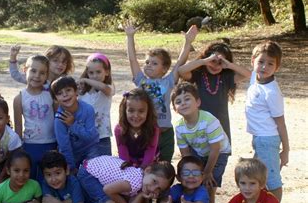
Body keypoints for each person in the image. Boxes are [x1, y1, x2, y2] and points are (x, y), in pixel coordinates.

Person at [124, 21, 198, 162]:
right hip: (147, 131)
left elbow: (180, 62)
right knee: (147, 164)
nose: (149, 65)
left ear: (164, 69)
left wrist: (188, 42)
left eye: (154, 63)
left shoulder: (168, 81)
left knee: (165, 166)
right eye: (147, 62)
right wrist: (129, 37)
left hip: (166, 133)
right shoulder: (141, 80)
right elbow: (132, 59)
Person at [172, 82, 231, 203]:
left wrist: (206, 172)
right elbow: (186, 155)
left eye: (187, 99)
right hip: (199, 153)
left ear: (198, 102)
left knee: (208, 186)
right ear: (175, 108)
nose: (183, 103)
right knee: (192, 183)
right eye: (178, 101)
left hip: (219, 153)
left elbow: (215, 149)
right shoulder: (179, 127)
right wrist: (188, 172)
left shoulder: (208, 120)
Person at [178, 42, 251, 144]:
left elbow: (248, 74)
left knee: (220, 155)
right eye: (213, 61)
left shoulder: (225, 77)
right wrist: (204, 61)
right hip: (200, 125)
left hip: (220, 126)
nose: (215, 65)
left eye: (220, 62)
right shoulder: (199, 75)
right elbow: (181, 70)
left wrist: (229, 65)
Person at [245, 40, 289, 203]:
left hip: (268, 139)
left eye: (270, 64)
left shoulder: (272, 92)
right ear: (253, 62)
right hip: (258, 138)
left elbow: (281, 122)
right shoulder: (255, 78)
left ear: (276, 67)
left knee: (271, 180)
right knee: (259, 176)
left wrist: (286, 150)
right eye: (261, 62)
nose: (264, 67)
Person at [115, 88, 160, 203]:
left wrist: (141, 171)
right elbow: (123, 153)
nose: (136, 115)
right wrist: (130, 173)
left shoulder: (153, 129)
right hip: (128, 163)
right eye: (131, 110)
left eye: (141, 111)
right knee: (126, 187)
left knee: (144, 186)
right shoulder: (119, 129)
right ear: (124, 110)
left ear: (148, 112)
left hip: (147, 163)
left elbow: (150, 153)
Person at [13, 55, 57, 180]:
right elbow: (18, 126)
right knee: (31, 179)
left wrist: (59, 143)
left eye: (42, 73)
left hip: (51, 143)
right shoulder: (19, 98)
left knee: (49, 178)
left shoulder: (51, 95)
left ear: (47, 75)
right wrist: (19, 149)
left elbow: (58, 119)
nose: (37, 76)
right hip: (30, 145)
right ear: (24, 70)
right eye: (33, 71)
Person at [51, 76, 100, 173]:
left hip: (90, 148)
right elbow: (64, 146)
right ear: (55, 99)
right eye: (59, 93)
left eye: (68, 90)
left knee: (91, 174)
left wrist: (73, 124)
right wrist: (71, 167)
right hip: (72, 153)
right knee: (72, 176)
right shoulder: (59, 119)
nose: (65, 95)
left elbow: (91, 137)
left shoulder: (88, 109)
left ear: (76, 91)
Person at [78, 52, 115, 155]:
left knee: (104, 166)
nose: (94, 76)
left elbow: (102, 87)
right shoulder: (82, 92)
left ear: (106, 72)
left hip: (102, 136)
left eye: (98, 72)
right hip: (83, 135)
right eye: (91, 73)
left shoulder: (109, 88)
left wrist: (86, 79)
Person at [9, 44, 74, 88]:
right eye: (55, 61)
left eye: (64, 62)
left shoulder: (66, 81)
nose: (60, 64)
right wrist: (13, 57)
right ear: (46, 61)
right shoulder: (37, 78)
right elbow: (15, 74)